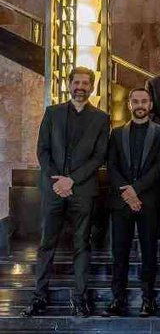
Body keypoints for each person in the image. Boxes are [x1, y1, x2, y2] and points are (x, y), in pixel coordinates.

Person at [22, 67, 110, 317]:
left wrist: (71, 180)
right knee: (46, 244)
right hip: (53, 189)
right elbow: (43, 150)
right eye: (76, 82)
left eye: (85, 83)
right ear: (69, 85)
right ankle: (39, 298)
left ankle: (80, 299)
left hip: (83, 190)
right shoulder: (52, 112)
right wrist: (57, 181)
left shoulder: (101, 118)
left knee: (82, 245)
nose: (81, 87)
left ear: (92, 87)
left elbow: (99, 157)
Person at [104, 88, 160, 317]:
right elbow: (111, 166)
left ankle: (148, 300)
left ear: (150, 105)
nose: (140, 105)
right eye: (135, 101)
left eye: (144, 101)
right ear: (129, 104)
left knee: (149, 252)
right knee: (119, 253)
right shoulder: (116, 133)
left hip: (148, 201)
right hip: (121, 202)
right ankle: (117, 299)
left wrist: (136, 190)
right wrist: (127, 192)